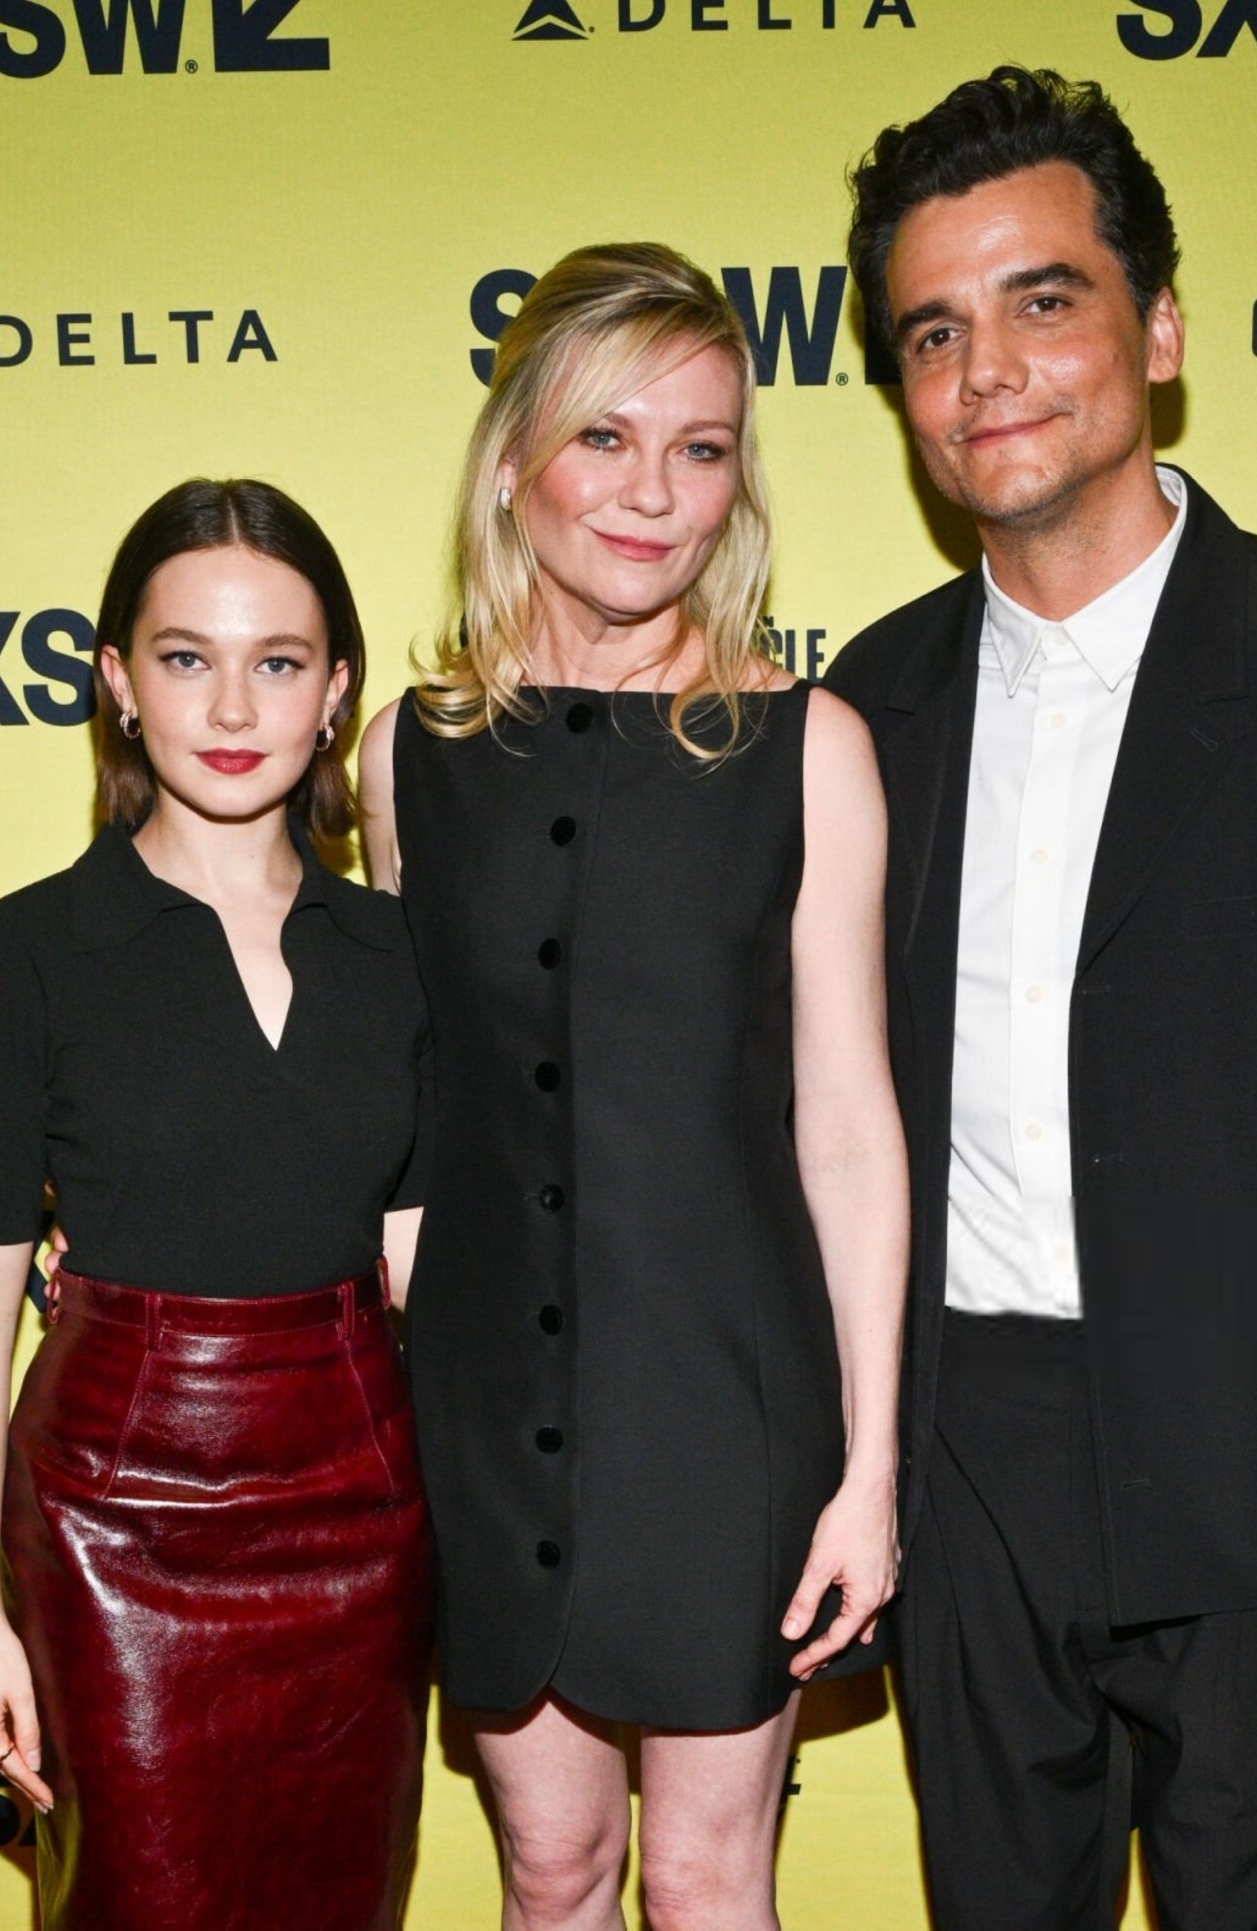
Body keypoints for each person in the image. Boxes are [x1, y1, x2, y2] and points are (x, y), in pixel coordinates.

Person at [822, 69, 1257, 1930]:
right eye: (934, 333)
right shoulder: (865, 710)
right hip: (964, 1472)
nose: (988, 372)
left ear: (1161, 329)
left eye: (1043, 301)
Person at [357, 243, 908, 1931]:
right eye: (605, 438)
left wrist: (870, 1468)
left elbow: (849, 1131)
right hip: (483, 1404)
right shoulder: (407, 755)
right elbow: (401, 1107)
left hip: (724, 1408)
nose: (654, 494)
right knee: (553, 1870)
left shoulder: (808, 748)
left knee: (704, 1876)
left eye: (701, 447)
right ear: (512, 459)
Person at [0, 479, 433, 1931]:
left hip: (362, 1522)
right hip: (109, 1525)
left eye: (280, 661)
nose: (234, 704)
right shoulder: (26, 952)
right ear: (118, 682)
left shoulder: (399, 956)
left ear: (336, 693)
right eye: (186, 656)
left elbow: (420, 1265)